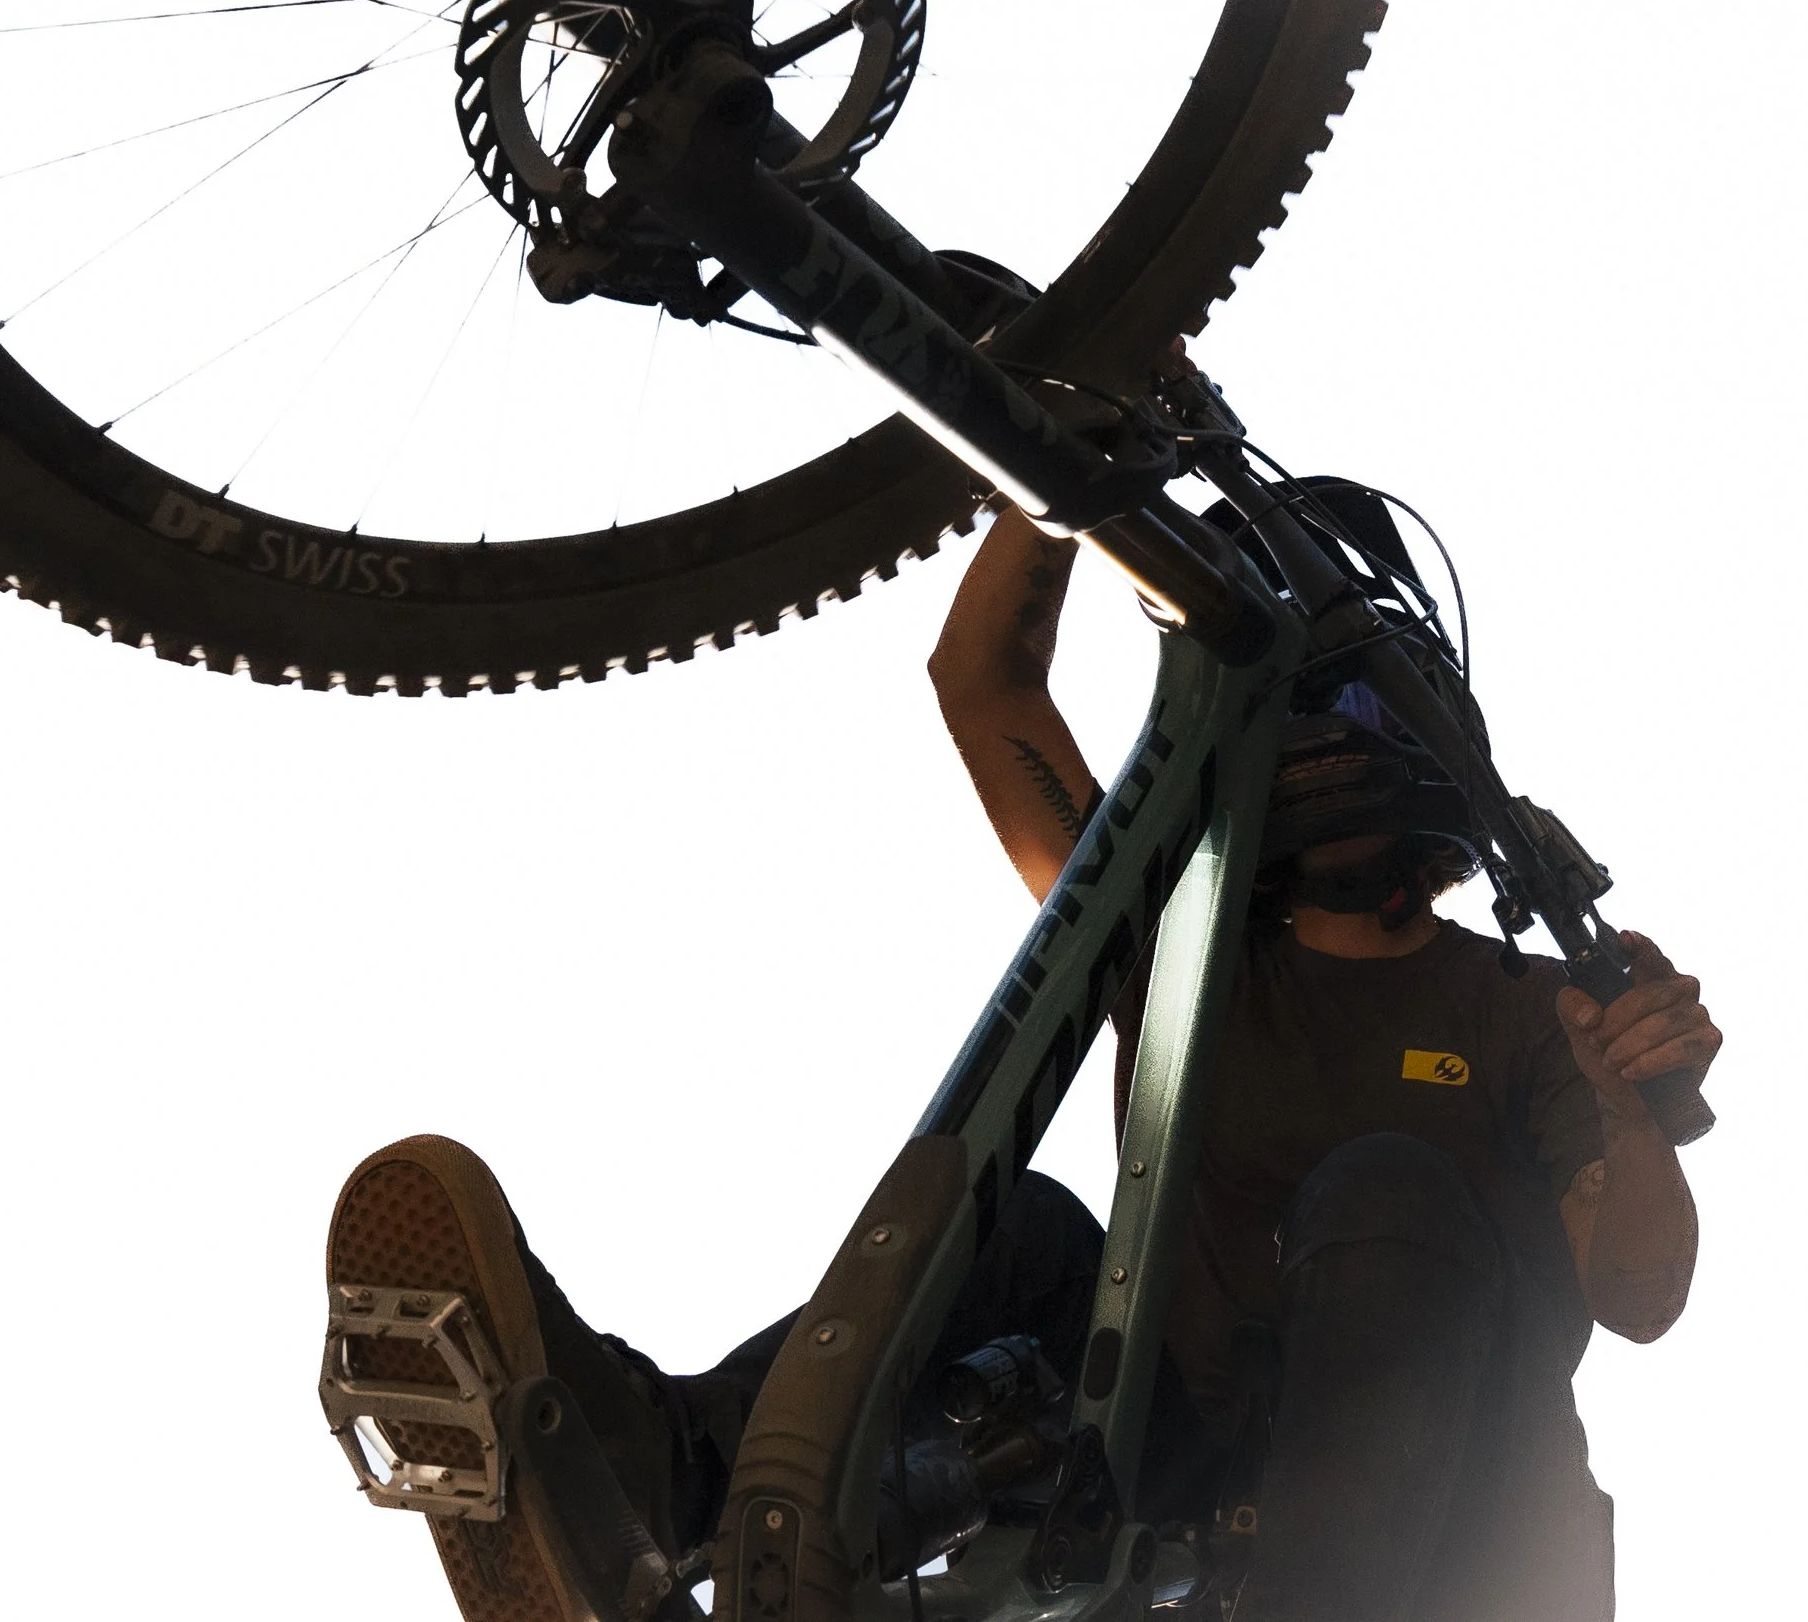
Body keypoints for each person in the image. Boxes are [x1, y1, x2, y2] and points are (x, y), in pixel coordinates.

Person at [322, 508, 1719, 1622]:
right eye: (1308, 704)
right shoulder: (1184, 953)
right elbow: (985, 685)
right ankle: (657, 1472)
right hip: (1180, 1463)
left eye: (1357, 708)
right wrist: (1072, 443)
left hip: (1449, 1522)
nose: (1328, 737)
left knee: (1386, 1186)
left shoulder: (1527, 1008)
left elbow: (1640, 1291)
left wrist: (1618, 1090)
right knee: (1040, 1233)